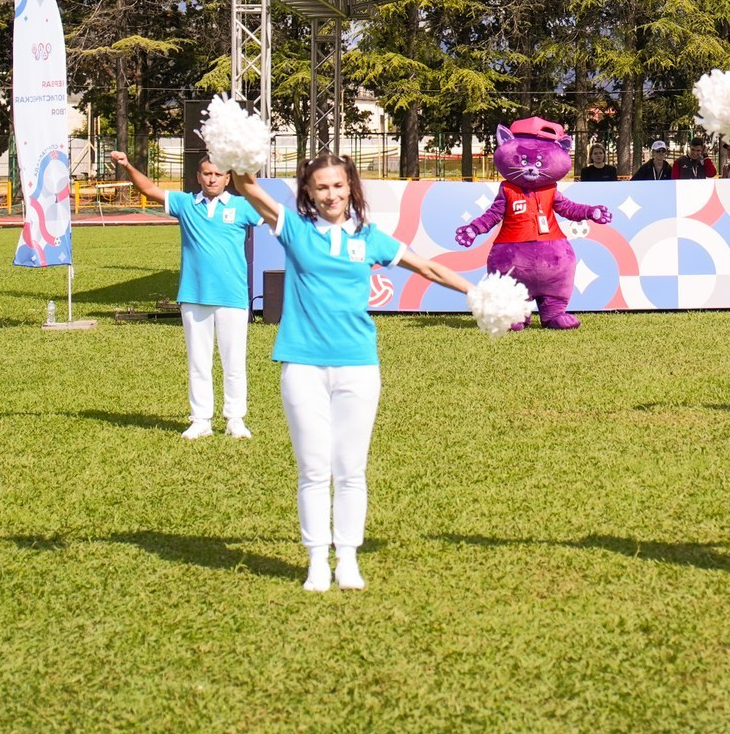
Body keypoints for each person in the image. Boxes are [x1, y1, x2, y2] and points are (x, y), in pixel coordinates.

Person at [235, 154, 471, 591]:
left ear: (351, 188)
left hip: (358, 366)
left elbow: (427, 267)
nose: (331, 195)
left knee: (350, 469)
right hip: (302, 365)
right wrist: (235, 154)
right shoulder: (294, 228)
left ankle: (346, 558)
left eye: (338, 186)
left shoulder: (370, 237)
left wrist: (477, 293)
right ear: (308, 191)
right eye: (321, 187)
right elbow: (248, 187)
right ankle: (315, 561)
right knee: (312, 469)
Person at [109, 149, 257, 440]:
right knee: (198, 362)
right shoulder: (185, 204)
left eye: (218, 174)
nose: (212, 179)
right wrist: (127, 166)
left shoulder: (243, 207)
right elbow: (149, 189)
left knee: (234, 362)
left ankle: (235, 419)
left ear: (228, 178)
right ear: (198, 177)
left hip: (233, 296)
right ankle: (201, 419)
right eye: (207, 174)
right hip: (193, 295)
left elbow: (277, 215)